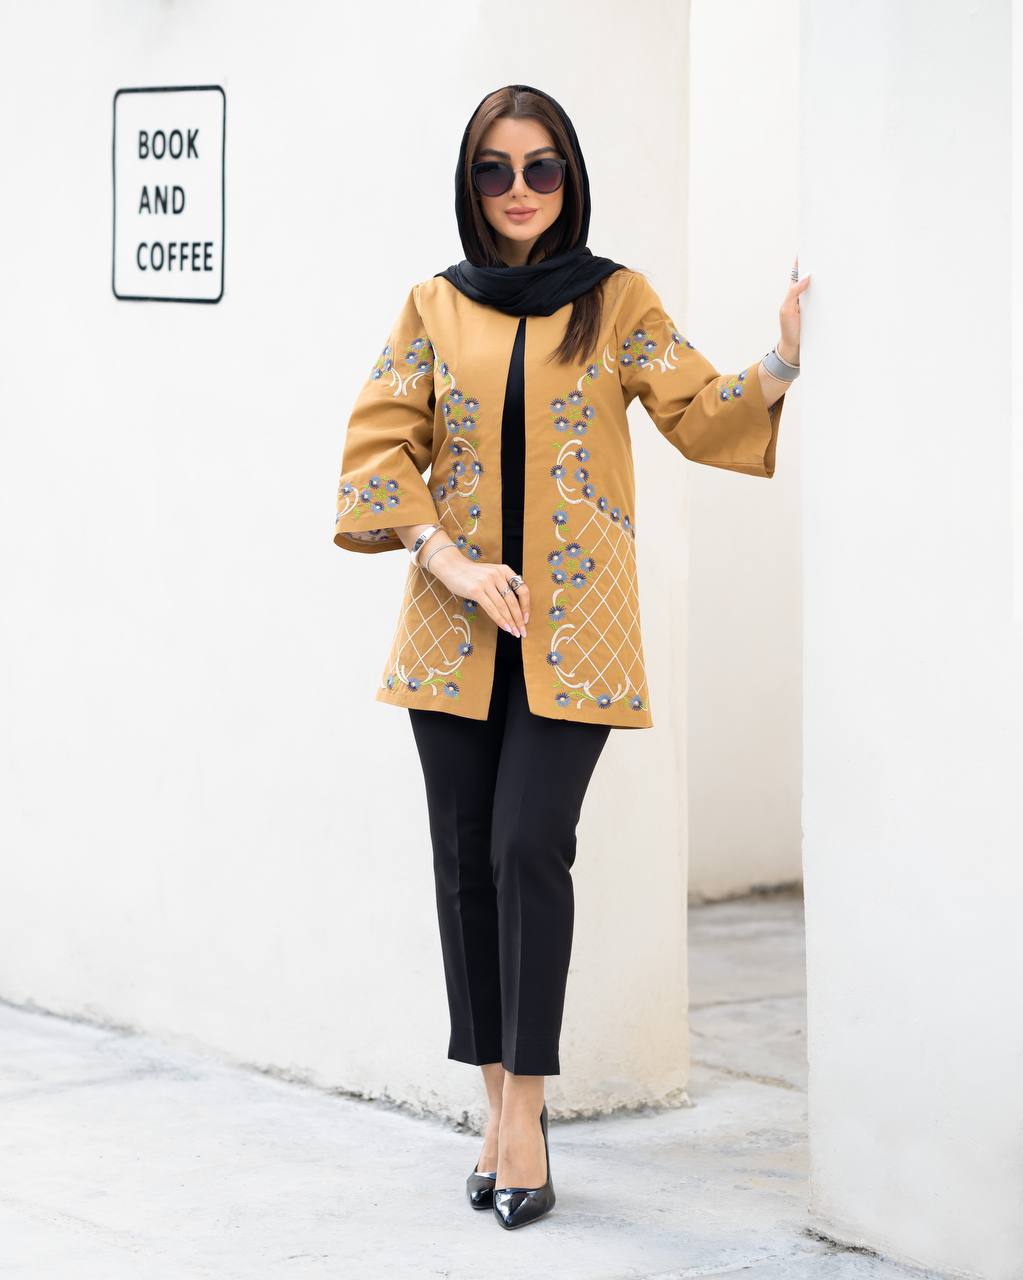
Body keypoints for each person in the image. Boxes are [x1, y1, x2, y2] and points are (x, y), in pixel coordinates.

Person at [332, 83, 807, 1230]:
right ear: (470, 184)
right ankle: (496, 1104)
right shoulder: (433, 306)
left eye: (540, 167)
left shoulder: (613, 299)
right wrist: (450, 563)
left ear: (570, 177)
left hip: (573, 634)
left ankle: (529, 1107)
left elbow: (698, 409)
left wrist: (781, 364)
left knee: (527, 846)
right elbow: (377, 448)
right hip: (453, 635)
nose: (519, 191)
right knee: (465, 863)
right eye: (494, 170)